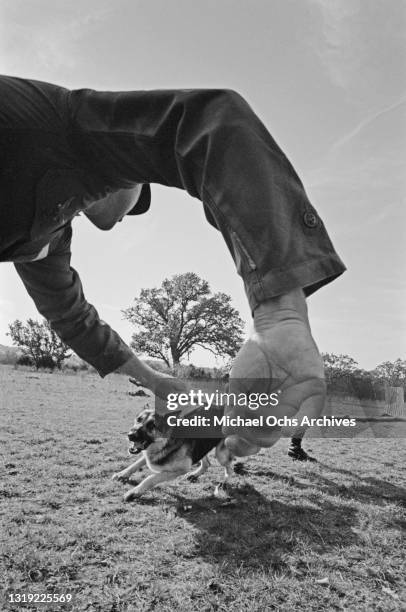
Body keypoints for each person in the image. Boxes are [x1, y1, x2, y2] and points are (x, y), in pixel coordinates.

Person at [0, 76, 346, 458]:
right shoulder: (60, 121)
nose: (128, 216)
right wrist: (280, 312)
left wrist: (154, 381)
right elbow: (210, 121)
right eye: (139, 191)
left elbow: (72, 317)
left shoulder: (49, 236)